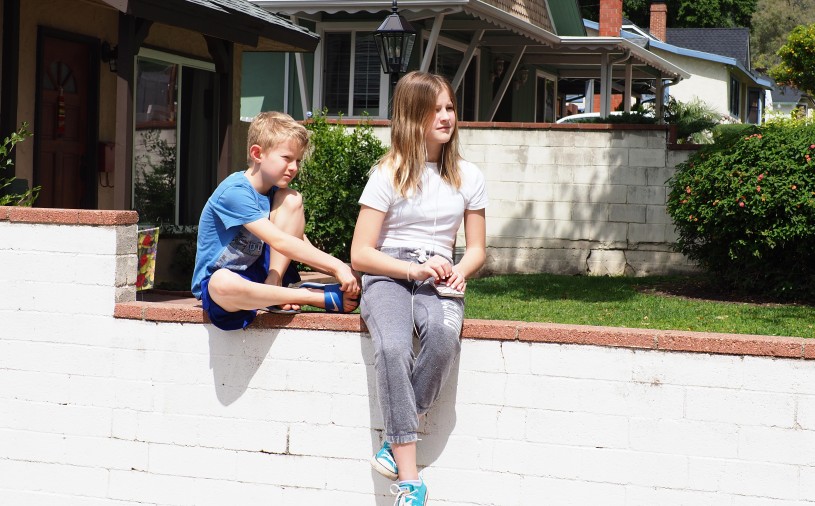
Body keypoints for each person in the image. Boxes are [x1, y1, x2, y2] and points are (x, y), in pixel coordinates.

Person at [350, 72, 488, 505]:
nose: (447, 117)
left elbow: (478, 249)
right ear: (413, 116)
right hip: (390, 271)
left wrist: (462, 269)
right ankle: (411, 482)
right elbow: (360, 253)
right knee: (392, 347)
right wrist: (412, 270)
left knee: (445, 338)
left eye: (450, 107)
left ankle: (394, 441)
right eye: (437, 109)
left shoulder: (468, 175)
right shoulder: (387, 174)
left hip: (442, 273)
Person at [191, 111, 360, 331]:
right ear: (257, 153)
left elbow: (298, 243)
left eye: (298, 160)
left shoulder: (276, 194)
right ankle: (309, 296)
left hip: (261, 275)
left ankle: (275, 283)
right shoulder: (234, 192)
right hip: (224, 285)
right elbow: (279, 241)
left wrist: (345, 271)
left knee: (292, 198)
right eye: (287, 158)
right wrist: (336, 266)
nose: (294, 167)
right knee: (221, 282)